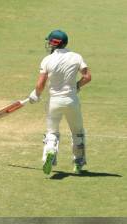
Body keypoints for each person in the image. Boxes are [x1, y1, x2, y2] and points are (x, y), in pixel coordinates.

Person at [27, 29, 91, 175]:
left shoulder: (47, 60)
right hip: (72, 100)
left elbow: (40, 85)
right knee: (78, 133)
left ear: (54, 44)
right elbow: (87, 77)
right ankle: (78, 164)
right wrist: (77, 86)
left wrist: (35, 95)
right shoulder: (76, 56)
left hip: (54, 102)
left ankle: (49, 153)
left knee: (52, 132)